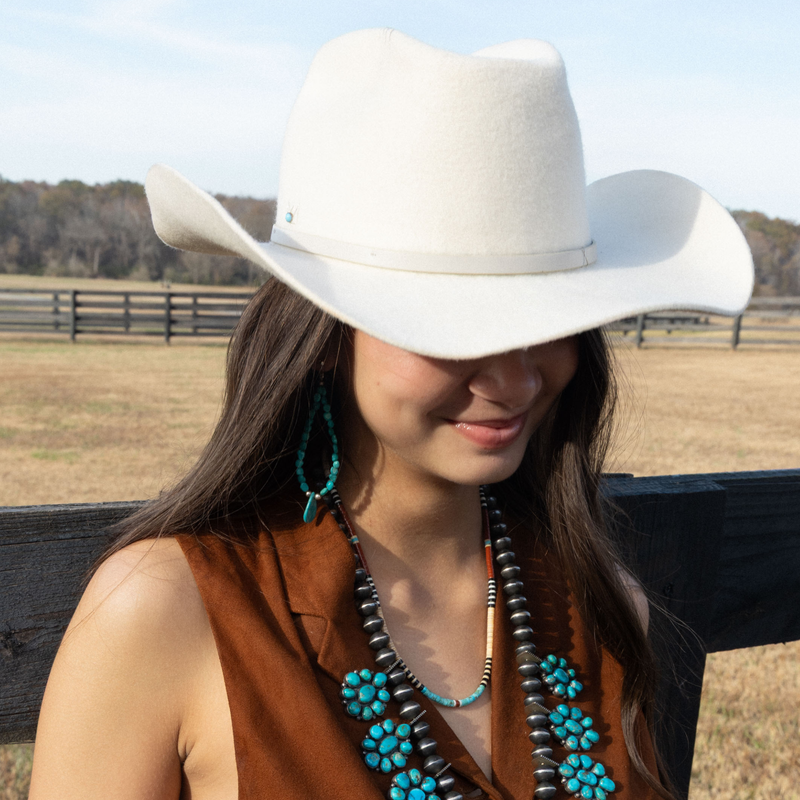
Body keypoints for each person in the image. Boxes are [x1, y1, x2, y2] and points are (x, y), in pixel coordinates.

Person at [28, 28, 752, 800]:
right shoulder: (163, 613)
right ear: (328, 335)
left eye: (549, 323)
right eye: (451, 327)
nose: (513, 378)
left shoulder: (603, 610)